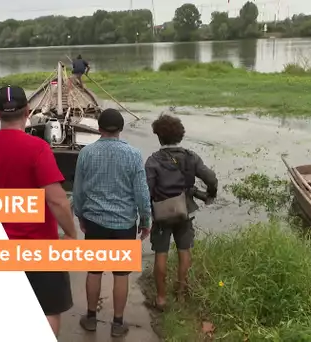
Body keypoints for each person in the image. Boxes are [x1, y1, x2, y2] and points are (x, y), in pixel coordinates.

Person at [0, 85, 77, 337]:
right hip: (39, 247)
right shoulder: (38, 149)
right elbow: (57, 201)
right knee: (48, 311)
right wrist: (71, 234)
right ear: (28, 111)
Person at [73, 108, 151, 338]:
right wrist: (145, 220)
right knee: (121, 275)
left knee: (94, 272)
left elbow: (78, 190)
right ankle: (117, 323)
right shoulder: (134, 155)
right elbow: (141, 194)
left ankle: (90, 318)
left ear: (98, 128)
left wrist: (81, 216)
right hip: (124, 224)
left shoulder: (86, 153)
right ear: (121, 129)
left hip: (95, 221)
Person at [145, 114, 218, 311]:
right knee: (184, 251)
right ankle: (181, 295)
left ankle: (161, 299)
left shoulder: (153, 161)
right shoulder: (191, 157)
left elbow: (147, 190)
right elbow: (211, 178)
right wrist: (210, 194)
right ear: (181, 135)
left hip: (161, 214)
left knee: (161, 254)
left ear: (158, 136)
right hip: (184, 211)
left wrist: (147, 212)